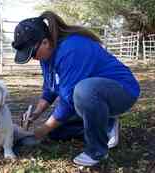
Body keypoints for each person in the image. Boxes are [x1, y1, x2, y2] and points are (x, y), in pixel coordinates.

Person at [12, 11, 140, 166]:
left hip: (122, 91)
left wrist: (42, 130)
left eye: (32, 53)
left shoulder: (72, 48)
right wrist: (37, 112)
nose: (32, 58)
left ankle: (98, 151)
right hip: (95, 96)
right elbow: (50, 87)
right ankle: (107, 125)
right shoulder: (46, 55)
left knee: (83, 90)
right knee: (55, 131)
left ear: (45, 42)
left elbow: (68, 101)